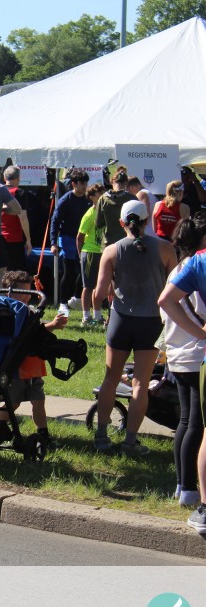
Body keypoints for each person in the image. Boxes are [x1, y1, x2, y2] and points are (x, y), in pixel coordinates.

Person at [93, 200, 176, 456]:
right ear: (147, 220)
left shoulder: (112, 251)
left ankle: (101, 437)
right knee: (141, 383)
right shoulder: (165, 249)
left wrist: (106, 295)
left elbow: (99, 293)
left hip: (121, 320)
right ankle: (130, 442)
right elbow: (176, 288)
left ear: (121, 223)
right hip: (151, 322)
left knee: (110, 378)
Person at [158, 220, 206, 535]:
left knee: (187, 421)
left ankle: (182, 485)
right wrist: (201, 333)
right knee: (195, 423)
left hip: (179, 351)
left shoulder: (180, 269)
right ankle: (188, 487)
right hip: (194, 352)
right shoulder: (194, 268)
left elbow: (165, 308)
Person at [0, 271, 68, 450]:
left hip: (33, 368)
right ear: (9, 292)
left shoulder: (27, 311)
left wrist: (50, 326)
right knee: (12, 403)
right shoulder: (8, 313)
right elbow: (28, 335)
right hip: (16, 369)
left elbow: (35, 333)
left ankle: (43, 435)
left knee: (38, 401)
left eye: (29, 293)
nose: (27, 297)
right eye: (23, 293)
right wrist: (52, 326)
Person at [50, 168, 92, 316]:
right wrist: (53, 243)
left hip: (85, 240)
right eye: (82, 183)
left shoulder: (88, 199)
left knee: (85, 271)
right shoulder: (65, 200)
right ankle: (63, 303)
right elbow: (55, 222)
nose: (85, 186)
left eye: (86, 183)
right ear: (74, 184)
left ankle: (76, 298)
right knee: (69, 272)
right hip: (68, 239)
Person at [75, 183, 108, 327]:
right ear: (92, 197)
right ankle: (86, 317)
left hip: (103, 252)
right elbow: (79, 237)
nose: (104, 195)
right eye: (100, 193)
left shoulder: (106, 211)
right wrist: (80, 255)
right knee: (88, 286)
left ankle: (97, 316)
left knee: (99, 286)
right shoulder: (89, 214)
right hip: (90, 252)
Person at [0, 166, 32, 272]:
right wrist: (28, 239)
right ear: (18, 178)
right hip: (14, 238)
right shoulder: (19, 193)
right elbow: (23, 217)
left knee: (0, 272)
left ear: (4, 178)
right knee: (15, 272)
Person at [93, 168, 137, 250]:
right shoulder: (132, 198)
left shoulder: (103, 199)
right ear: (126, 183)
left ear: (111, 181)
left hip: (109, 243)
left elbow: (98, 224)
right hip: (128, 243)